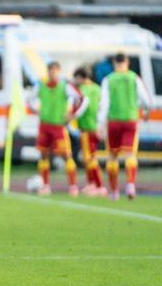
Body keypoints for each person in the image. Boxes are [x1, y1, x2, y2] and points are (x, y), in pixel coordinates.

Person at [97, 53, 152, 200]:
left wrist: (100, 124)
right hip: (130, 120)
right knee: (130, 154)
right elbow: (145, 99)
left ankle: (114, 192)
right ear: (127, 62)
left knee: (112, 156)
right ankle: (130, 184)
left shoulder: (108, 79)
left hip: (114, 121)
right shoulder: (134, 77)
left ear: (114, 63)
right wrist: (145, 112)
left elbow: (104, 103)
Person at [27, 61, 86, 197]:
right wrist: (36, 110)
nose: (52, 73)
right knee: (43, 156)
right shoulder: (40, 85)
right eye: (50, 70)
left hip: (58, 127)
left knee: (66, 155)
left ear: (59, 71)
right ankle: (46, 186)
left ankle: (73, 186)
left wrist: (72, 114)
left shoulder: (65, 86)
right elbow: (29, 100)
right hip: (44, 126)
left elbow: (80, 99)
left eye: (54, 70)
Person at [72, 67, 105, 196]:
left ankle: (98, 185)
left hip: (86, 128)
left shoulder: (81, 90)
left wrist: (72, 116)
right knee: (90, 157)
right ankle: (91, 183)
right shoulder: (98, 88)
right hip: (96, 127)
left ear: (80, 77)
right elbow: (103, 107)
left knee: (89, 158)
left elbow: (80, 106)